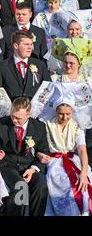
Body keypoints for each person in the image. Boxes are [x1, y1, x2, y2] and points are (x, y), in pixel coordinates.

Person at [0, 97, 50, 216]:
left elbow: (44, 151)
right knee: (21, 187)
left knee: (41, 184)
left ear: (28, 115)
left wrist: (33, 169)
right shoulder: (1, 123)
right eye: (12, 116)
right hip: (8, 166)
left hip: (30, 166)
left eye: (18, 118)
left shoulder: (39, 126)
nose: (14, 120)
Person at [31, 81, 92, 215]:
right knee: (65, 187)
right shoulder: (47, 123)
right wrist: (39, 154)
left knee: (84, 184)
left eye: (68, 114)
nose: (64, 117)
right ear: (55, 111)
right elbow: (38, 145)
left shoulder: (76, 125)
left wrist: (83, 172)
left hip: (72, 160)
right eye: (61, 114)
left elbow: (82, 149)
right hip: (54, 162)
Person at [0, 31, 51, 100]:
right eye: (26, 44)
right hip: (11, 109)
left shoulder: (40, 65)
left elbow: (49, 88)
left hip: (34, 109)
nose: (30, 48)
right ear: (16, 46)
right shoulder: (3, 66)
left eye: (31, 44)